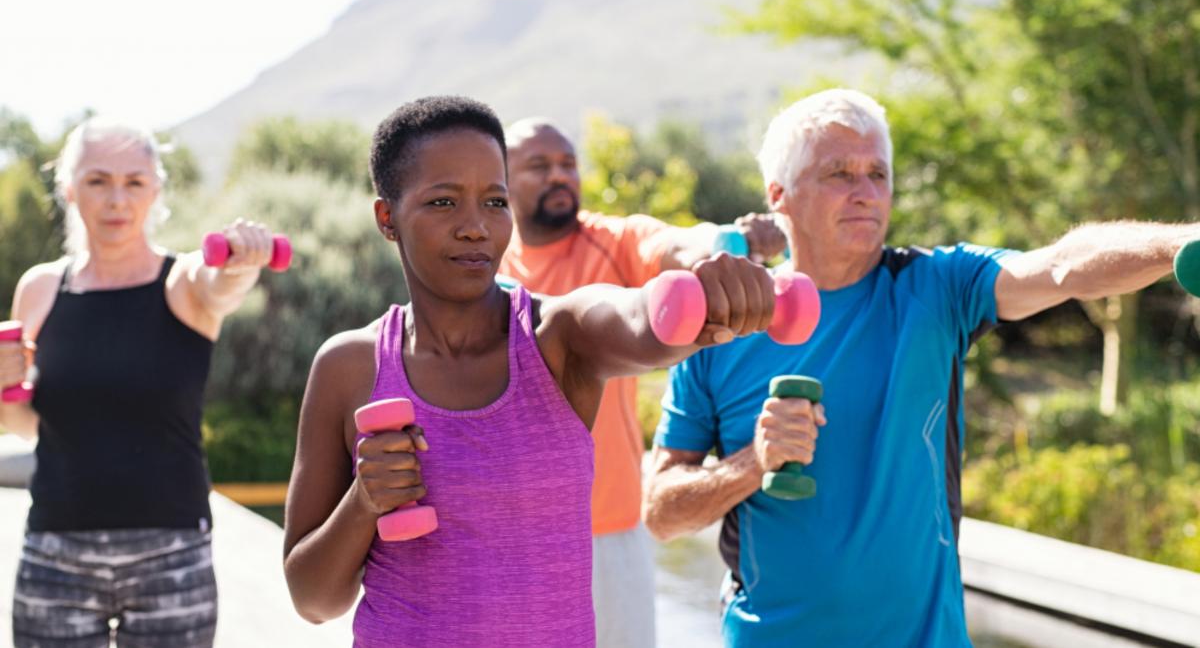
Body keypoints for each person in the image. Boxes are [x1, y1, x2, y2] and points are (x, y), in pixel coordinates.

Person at [642, 88, 1200, 647]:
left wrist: (1182, 243)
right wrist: (751, 462)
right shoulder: (722, 326)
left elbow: (1062, 266)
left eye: (877, 175)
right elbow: (662, 513)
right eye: (839, 174)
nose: (865, 194)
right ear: (779, 195)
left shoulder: (937, 286)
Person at [280, 96, 781, 648]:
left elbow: (639, 323)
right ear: (387, 218)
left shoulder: (558, 337)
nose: (475, 227)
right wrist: (365, 503)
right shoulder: (348, 367)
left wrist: (708, 306)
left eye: (495, 202)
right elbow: (313, 600)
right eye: (444, 201)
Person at [498, 117, 785, 647]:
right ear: (503, 180)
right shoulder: (485, 261)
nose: (559, 175)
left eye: (567, 163)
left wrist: (730, 243)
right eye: (539, 166)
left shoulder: (614, 240)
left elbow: (681, 244)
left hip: (608, 528)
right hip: (504, 535)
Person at [0, 118, 279, 647]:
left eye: (134, 183)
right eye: (98, 181)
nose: (116, 200)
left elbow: (220, 285)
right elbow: (25, 424)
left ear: (156, 190)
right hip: (55, 551)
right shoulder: (39, 289)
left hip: (171, 554)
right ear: (68, 188)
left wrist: (241, 266)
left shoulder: (181, 283)